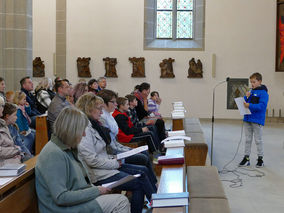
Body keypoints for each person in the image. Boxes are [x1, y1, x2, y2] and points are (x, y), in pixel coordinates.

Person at [35, 107, 130, 213]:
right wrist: (96, 191)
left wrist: (95, 190)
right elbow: (61, 197)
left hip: (76, 203)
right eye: (82, 130)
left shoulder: (68, 147)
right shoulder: (53, 154)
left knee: (117, 198)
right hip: (63, 209)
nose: (84, 134)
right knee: (120, 202)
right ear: (72, 130)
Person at [76, 94, 156, 213]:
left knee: (142, 172)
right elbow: (92, 160)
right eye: (99, 108)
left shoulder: (95, 124)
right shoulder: (85, 129)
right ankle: (156, 204)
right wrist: (114, 163)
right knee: (139, 181)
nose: (101, 112)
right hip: (99, 174)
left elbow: (105, 150)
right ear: (89, 108)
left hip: (107, 166)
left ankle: (156, 203)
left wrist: (115, 159)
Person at [97, 89, 157, 170]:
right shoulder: (105, 118)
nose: (115, 104)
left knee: (144, 152)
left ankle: (154, 180)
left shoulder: (110, 115)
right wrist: (128, 150)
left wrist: (129, 149)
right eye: (113, 102)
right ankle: (156, 154)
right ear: (104, 103)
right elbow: (112, 146)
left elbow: (115, 141)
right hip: (122, 142)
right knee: (143, 156)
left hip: (119, 145)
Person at [239, 72, 269, 168]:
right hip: (248, 118)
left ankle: (260, 159)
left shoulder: (263, 93)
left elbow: (262, 106)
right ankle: (246, 158)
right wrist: (246, 97)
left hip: (257, 120)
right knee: (247, 139)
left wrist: (249, 105)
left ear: (259, 81)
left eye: (254, 82)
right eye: (251, 82)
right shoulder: (251, 92)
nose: (252, 84)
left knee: (258, 140)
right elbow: (245, 103)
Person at [0, 96, 22, 166]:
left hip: (11, 159)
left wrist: (19, 153)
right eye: (1, 106)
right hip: (4, 164)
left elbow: (11, 144)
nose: (2, 109)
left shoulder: (3, 124)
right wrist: (16, 150)